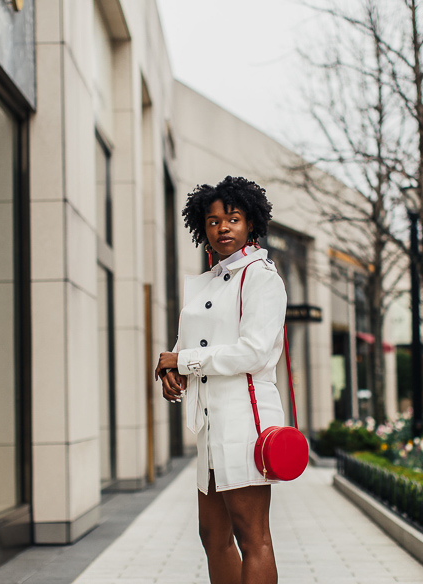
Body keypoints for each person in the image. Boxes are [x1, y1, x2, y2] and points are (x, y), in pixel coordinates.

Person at [154, 176, 286, 584]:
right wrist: (172, 370)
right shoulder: (211, 282)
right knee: (212, 535)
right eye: (213, 222)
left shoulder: (261, 277)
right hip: (211, 424)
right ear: (202, 228)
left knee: (253, 536)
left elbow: (254, 351)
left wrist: (185, 359)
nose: (223, 228)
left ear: (251, 223)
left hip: (245, 421)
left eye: (233, 218)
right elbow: (191, 343)